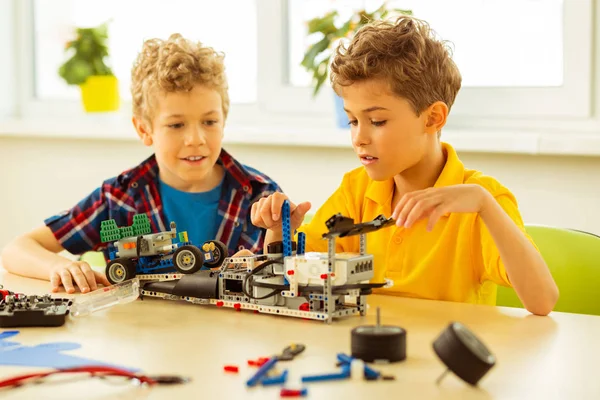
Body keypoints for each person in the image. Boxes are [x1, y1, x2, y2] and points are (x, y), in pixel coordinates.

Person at [251, 16, 558, 316]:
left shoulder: (482, 200)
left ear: (432, 118)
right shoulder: (356, 191)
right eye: (353, 120)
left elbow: (542, 301)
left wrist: (484, 205)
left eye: (377, 121)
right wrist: (278, 229)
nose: (359, 138)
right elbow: (291, 283)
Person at [1, 34, 281, 294]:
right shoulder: (117, 199)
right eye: (176, 124)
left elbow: (290, 274)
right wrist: (59, 266)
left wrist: (271, 249)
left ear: (224, 120)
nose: (196, 139)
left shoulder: (259, 194)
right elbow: (17, 249)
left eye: (209, 121)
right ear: (144, 130)